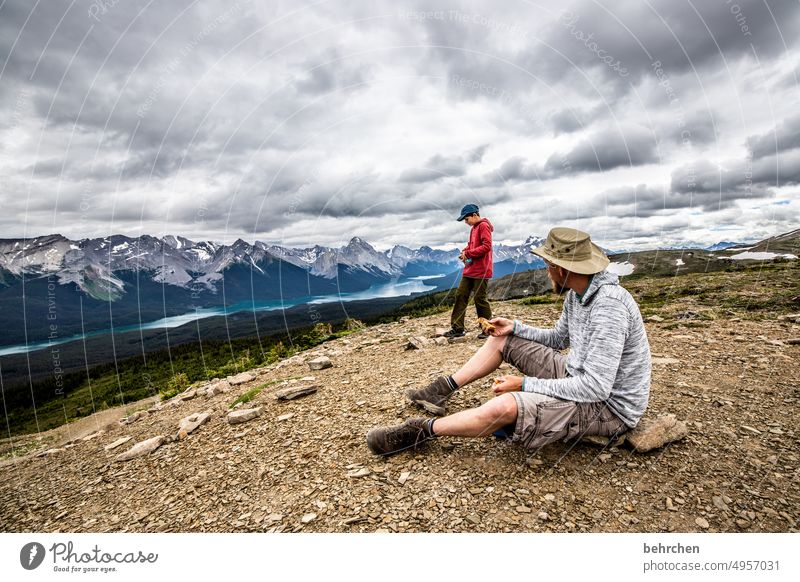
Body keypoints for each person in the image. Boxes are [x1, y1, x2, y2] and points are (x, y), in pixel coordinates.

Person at [367, 226, 651, 456]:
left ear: (562, 268)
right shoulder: (578, 295)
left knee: (506, 405)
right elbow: (558, 338)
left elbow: (596, 388)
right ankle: (439, 391)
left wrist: (524, 384)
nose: (546, 270)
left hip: (609, 407)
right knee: (504, 340)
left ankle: (420, 431)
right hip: (578, 377)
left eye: (547, 265)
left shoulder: (608, 307)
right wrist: (515, 327)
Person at [444, 204, 494, 339]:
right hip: (471, 269)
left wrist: (469, 253)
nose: (466, 222)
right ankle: (457, 328)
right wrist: (465, 251)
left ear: (474, 215)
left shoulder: (483, 226)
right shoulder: (474, 228)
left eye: (466, 219)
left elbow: (486, 246)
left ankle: (487, 328)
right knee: (461, 295)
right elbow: (472, 245)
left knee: (480, 298)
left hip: (482, 270)